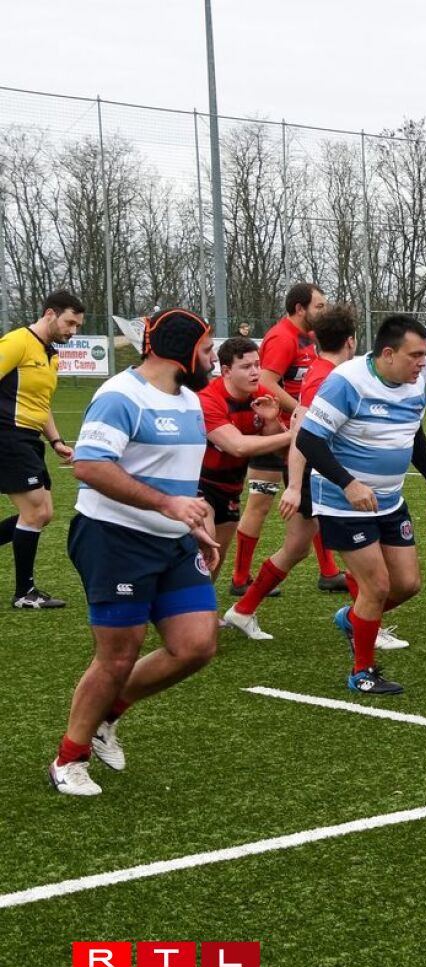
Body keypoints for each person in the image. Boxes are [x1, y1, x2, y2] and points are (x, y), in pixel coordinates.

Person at [49, 309, 221, 797]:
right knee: (118, 656)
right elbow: (89, 466)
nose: (213, 360)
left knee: (196, 646)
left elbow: (176, 477)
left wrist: (195, 520)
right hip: (114, 539)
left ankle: (106, 718)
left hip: (173, 542)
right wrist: (168, 504)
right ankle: (68, 759)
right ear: (183, 351)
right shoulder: (121, 396)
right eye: (208, 350)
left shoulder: (189, 400)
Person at [222, 306, 404, 646]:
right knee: (358, 547)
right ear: (351, 341)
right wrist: (294, 485)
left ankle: (243, 610)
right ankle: (364, 624)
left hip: (317, 471)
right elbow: (303, 432)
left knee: (296, 548)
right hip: (319, 473)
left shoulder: (324, 371)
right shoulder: (327, 378)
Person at [295, 315, 426, 696]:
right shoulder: (347, 382)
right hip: (343, 504)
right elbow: (309, 440)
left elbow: (414, 434)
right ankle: (362, 672)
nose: (422, 363)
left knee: (407, 585)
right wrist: (348, 484)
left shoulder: (415, 387)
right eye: (415, 355)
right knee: (376, 587)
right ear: (388, 353)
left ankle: (354, 618)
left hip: (390, 500)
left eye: (425, 354)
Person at [235, 282, 346, 596]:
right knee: (260, 503)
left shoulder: (308, 337)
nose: (324, 311)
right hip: (274, 432)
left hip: (297, 433)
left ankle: (328, 572)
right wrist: (301, 410)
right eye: (319, 306)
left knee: (312, 501)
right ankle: (240, 579)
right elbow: (266, 382)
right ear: (300, 309)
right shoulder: (283, 337)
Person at [0, 290, 84, 609]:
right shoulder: (17, 342)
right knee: (34, 512)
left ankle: (25, 592)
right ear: (50, 314)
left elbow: (42, 403)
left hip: (30, 439)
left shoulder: (51, 355)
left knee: (43, 513)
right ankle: (24, 594)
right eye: (69, 323)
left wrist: (57, 441)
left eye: (77, 326)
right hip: (9, 435)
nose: (73, 331)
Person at [197, 337, 293, 577]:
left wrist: (271, 422)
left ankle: (206, 602)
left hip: (231, 488)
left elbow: (279, 451)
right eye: (246, 367)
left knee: (214, 563)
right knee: (205, 546)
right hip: (198, 485)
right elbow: (237, 447)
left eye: (257, 365)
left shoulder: (261, 395)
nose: (255, 372)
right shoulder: (208, 399)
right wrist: (294, 434)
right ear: (226, 371)